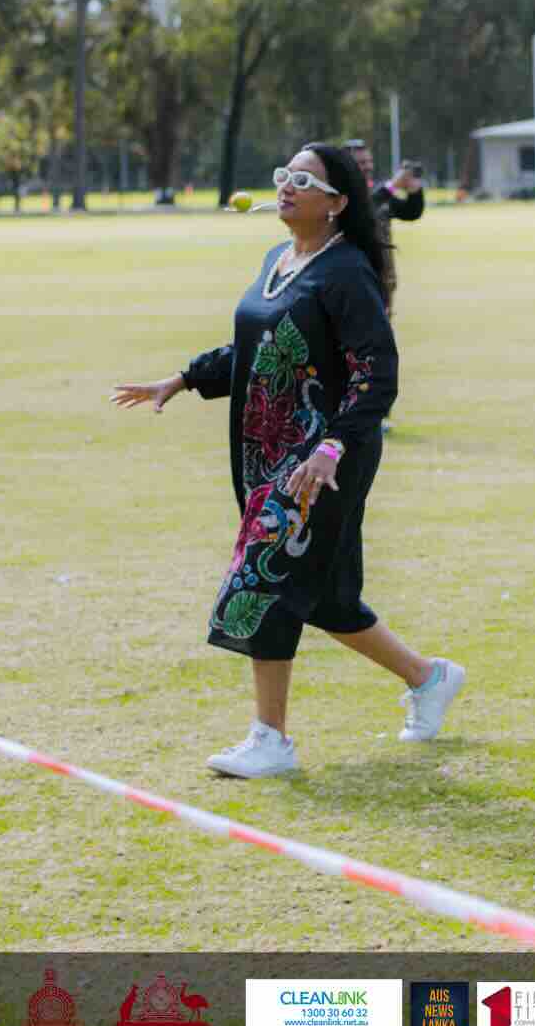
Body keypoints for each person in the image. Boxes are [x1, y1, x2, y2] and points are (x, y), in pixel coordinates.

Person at [110, 144, 465, 778]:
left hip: (324, 456)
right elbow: (255, 345)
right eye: (283, 177)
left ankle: (270, 739)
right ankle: (428, 678)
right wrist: (182, 380)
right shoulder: (280, 259)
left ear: (337, 204)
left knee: (263, 575)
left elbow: (375, 373)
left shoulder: (348, 271)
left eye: (303, 181)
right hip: (267, 451)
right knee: (329, 601)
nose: (286, 187)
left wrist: (333, 447)